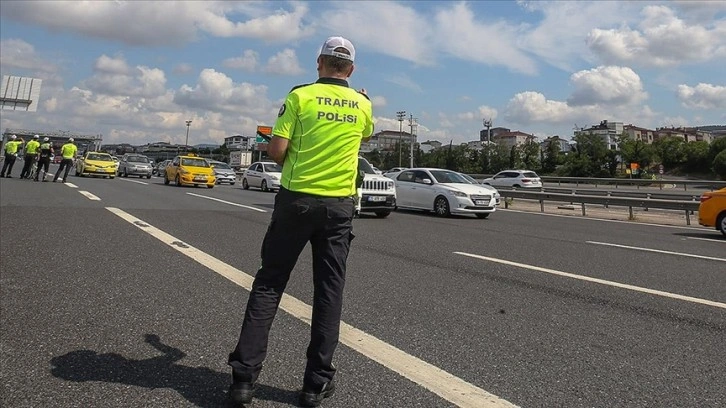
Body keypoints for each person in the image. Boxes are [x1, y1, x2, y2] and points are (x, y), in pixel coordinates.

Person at [227, 36, 373, 407]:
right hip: (338, 208)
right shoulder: (362, 105)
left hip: (296, 203)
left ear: (319, 62)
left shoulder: (299, 97)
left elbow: (276, 150)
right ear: (351, 70)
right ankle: (315, 385)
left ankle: (244, 380)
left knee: (270, 283)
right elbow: (365, 134)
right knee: (328, 293)